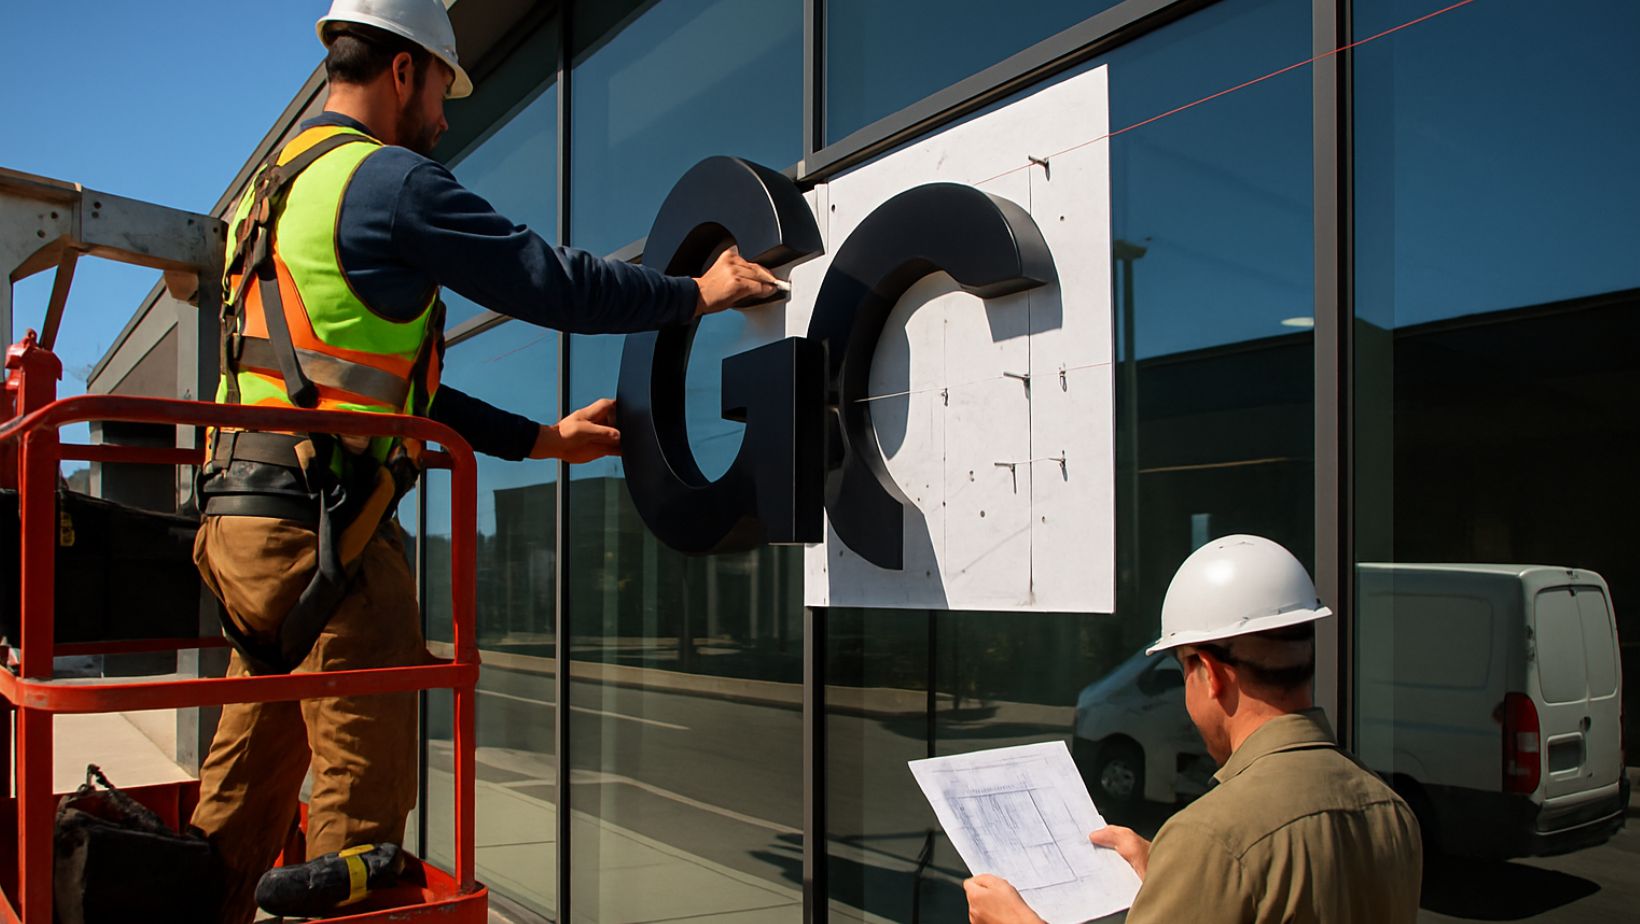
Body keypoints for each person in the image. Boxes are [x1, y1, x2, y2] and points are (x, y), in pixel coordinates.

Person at [188, 1, 781, 920]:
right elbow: (548, 279)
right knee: (361, 813)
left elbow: (374, 394)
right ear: (402, 72)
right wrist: (693, 293)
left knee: (246, 782)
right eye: (442, 90)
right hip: (329, 540)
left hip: (242, 534)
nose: (446, 117)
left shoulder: (265, 201)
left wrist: (542, 441)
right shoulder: (387, 184)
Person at [964, 535, 1423, 924]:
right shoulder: (1390, 810)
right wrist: (1172, 876)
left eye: (1183, 670)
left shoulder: (1210, 837)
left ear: (1210, 672)